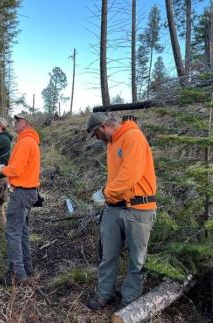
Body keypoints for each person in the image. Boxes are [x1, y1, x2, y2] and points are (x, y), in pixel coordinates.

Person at [86, 112, 157, 309]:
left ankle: (130, 302)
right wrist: (108, 195)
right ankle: (104, 294)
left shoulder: (133, 137)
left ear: (102, 126)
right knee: (108, 255)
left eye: (96, 134)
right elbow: (117, 176)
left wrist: (104, 193)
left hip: (138, 209)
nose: (97, 139)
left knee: (137, 260)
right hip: (114, 207)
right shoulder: (112, 143)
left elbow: (129, 176)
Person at [0, 114, 41, 285]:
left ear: (26, 123)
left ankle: (17, 275)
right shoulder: (29, 141)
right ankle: (27, 267)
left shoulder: (26, 142)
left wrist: (1, 169)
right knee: (23, 232)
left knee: (13, 232)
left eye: (18, 120)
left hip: (22, 193)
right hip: (29, 192)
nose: (15, 122)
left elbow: (16, 169)